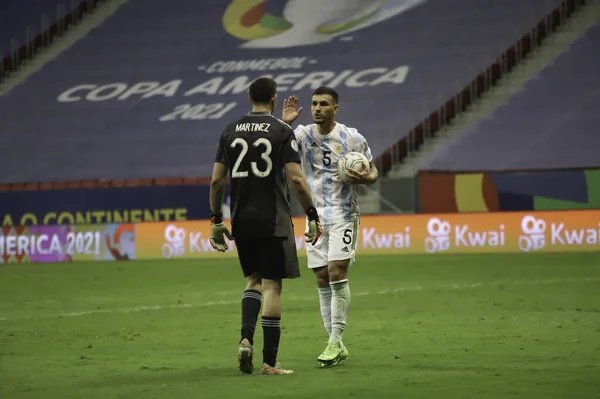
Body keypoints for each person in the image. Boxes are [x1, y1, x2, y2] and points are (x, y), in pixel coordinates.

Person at [208, 77, 323, 375]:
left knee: (253, 280)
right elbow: (296, 178)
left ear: (249, 97)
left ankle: (245, 339)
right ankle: (269, 362)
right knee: (272, 284)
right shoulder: (282, 132)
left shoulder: (229, 131)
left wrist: (216, 221)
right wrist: (311, 213)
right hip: (274, 219)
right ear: (274, 98)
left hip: (241, 219)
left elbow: (217, 180)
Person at [281, 87, 378, 367]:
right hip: (314, 217)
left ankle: (335, 340)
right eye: (314, 104)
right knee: (322, 277)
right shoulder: (301, 135)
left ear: (336, 108)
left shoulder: (352, 137)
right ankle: (335, 343)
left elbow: (373, 171)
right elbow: (277, 145)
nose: (317, 108)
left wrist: (364, 177)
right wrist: (285, 123)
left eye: (324, 104)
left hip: (344, 213)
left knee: (337, 271)